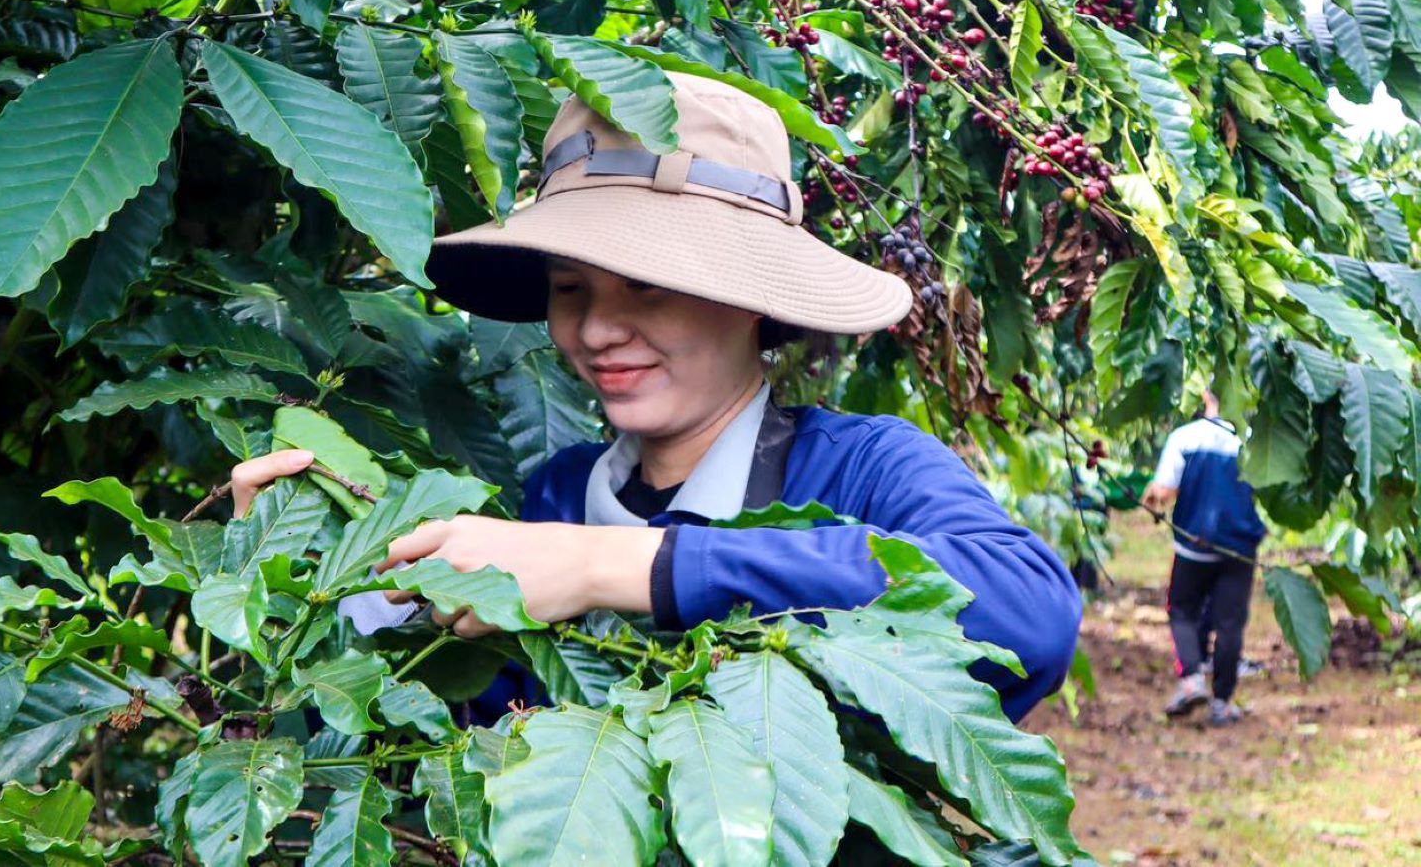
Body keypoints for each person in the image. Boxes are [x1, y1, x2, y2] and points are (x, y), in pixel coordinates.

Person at [230, 73, 1082, 722]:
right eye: (570, 289)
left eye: (645, 286)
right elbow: (498, 729)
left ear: (753, 297)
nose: (597, 331)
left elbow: (1030, 614)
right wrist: (327, 590)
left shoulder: (862, 466)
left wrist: (609, 567)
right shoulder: (564, 490)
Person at [1143, 390, 1264, 726]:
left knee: (1182, 610)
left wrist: (1150, 498)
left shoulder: (1184, 438)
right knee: (1230, 623)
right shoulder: (1247, 440)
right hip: (1239, 547)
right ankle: (1222, 704)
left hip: (1194, 544)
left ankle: (1192, 680)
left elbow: (1164, 491)